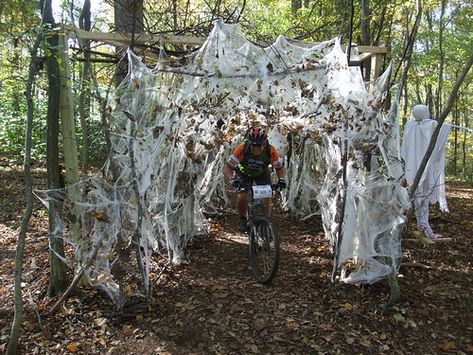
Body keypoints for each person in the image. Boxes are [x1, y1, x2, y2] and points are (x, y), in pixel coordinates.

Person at [401, 104, 451, 239]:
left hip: (415, 166)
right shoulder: (428, 125)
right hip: (424, 167)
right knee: (422, 196)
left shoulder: (410, 125)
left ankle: (422, 224)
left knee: (420, 196)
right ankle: (423, 225)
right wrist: (446, 127)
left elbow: (405, 147)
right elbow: (440, 133)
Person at [223, 127, 287, 232]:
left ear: (264, 143)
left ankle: (266, 222)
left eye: (259, 146)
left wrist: (281, 180)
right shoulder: (242, 148)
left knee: (267, 194)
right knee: (242, 195)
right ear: (249, 143)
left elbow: (280, 168)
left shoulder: (271, 150)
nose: (256, 149)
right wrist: (232, 180)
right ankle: (242, 219)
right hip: (243, 173)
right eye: (253, 145)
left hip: (261, 173)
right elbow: (227, 167)